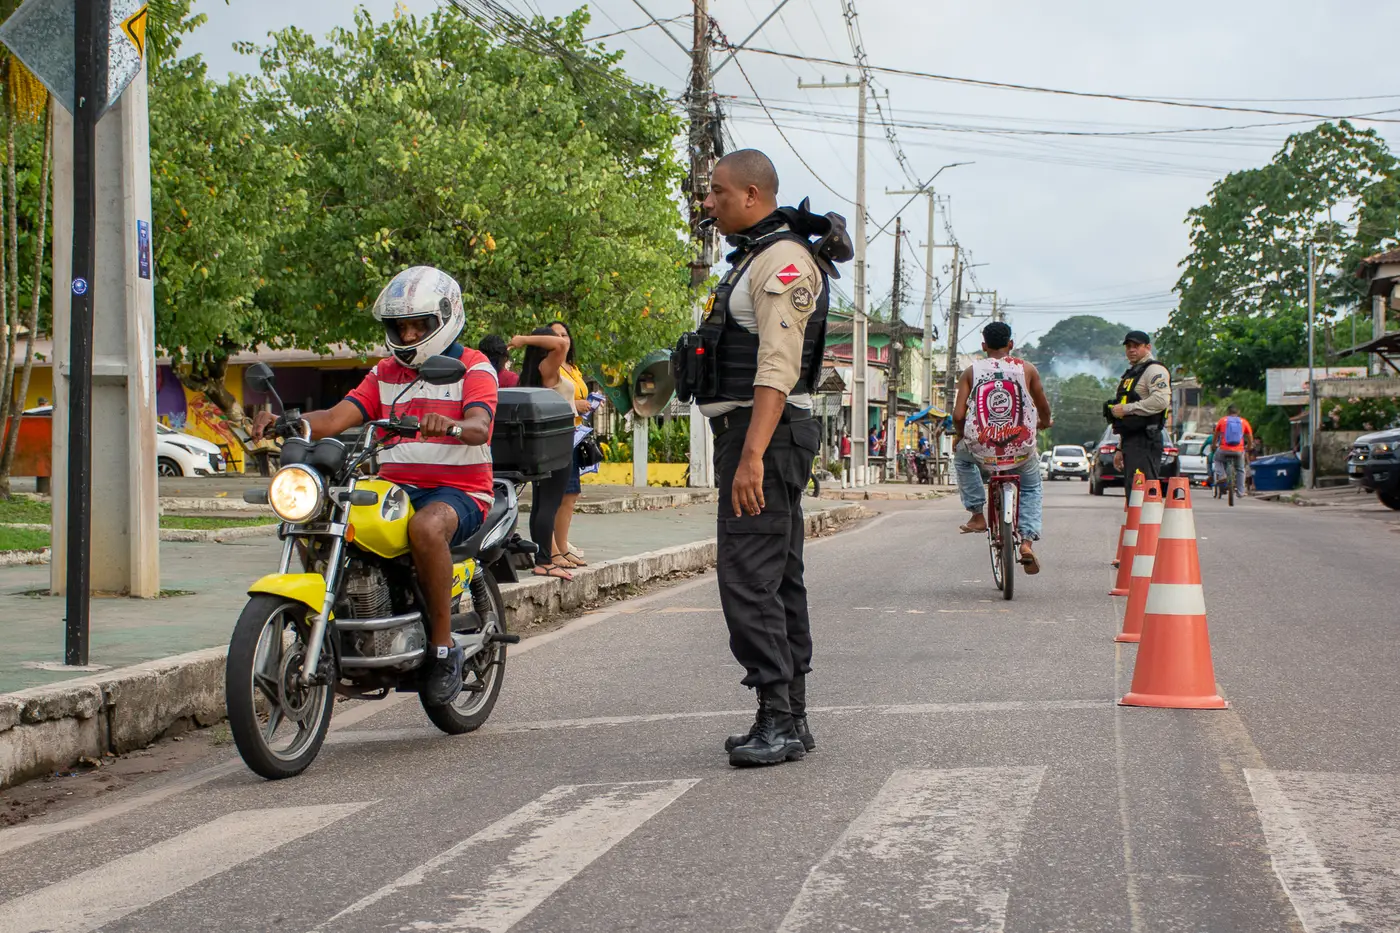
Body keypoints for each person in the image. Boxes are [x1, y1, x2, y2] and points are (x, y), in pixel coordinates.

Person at [250, 266, 497, 707]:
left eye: (418, 324)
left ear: (445, 318)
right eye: (400, 326)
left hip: (460, 491)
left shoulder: (473, 367)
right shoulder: (384, 373)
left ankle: (443, 649)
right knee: (320, 518)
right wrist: (287, 422)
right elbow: (335, 418)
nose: (408, 334)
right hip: (395, 488)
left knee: (425, 528)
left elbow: (480, 426)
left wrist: (452, 425)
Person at [691, 148, 850, 767]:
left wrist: (752, 453)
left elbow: (777, 366)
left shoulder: (783, 261)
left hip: (765, 435)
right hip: (762, 433)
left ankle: (778, 719)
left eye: (718, 191)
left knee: (747, 577)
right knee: (777, 575)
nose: (709, 202)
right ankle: (793, 716)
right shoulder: (757, 257)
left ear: (752, 195)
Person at [953, 321, 1053, 572]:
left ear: (983, 345)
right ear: (1011, 344)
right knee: (1030, 487)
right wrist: (1044, 422)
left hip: (981, 447)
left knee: (962, 459)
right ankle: (1027, 542)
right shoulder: (1026, 369)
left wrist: (960, 436)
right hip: (1020, 448)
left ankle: (977, 515)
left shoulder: (971, 372)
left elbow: (958, 415)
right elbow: (1043, 406)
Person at [512, 328, 577, 581]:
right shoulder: (546, 369)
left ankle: (544, 557)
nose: (560, 342)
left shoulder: (537, 371)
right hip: (556, 445)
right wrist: (523, 340)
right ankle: (544, 561)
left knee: (542, 503)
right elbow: (561, 346)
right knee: (549, 503)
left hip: (549, 444)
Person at [547, 320, 592, 569]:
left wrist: (587, 404)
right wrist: (575, 405)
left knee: (571, 493)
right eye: (555, 335)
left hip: (575, 434)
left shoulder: (572, 367)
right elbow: (548, 399)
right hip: (557, 436)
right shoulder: (549, 366)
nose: (562, 339)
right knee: (557, 494)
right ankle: (553, 549)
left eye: (565, 335)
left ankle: (563, 546)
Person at [1108, 330, 1172, 485]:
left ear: (1148, 347)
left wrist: (1127, 408)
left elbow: (1160, 401)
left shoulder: (1154, 370)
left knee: (1142, 489)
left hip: (1146, 439)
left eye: (1136, 346)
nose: (1131, 350)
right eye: (1128, 346)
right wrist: (1120, 448)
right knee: (1134, 490)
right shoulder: (1134, 372)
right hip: (1131, 439)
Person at [1212, 404, 1253, 498]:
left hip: (1223, 449)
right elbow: (1250, 436)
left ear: (1228, 412)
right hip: (1238, 450)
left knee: (1217, 459)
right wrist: (1249, 446)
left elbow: (1216, 435)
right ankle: (1240, 492)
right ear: (1238, 412)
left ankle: (1222, 475)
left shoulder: (1222, 421)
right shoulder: (1243, 422)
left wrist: (1214, 445)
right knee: (1240, 469)